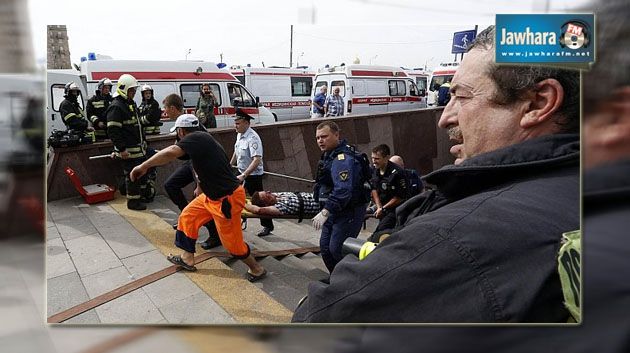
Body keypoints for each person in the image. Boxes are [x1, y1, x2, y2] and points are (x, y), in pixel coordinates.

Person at [292, 25, 579, 322]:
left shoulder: (455, 236)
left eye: (462, 97)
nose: (445, 117)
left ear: (539, 103)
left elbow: (316, 319)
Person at [130, 114, 267, 282]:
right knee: (187, 217)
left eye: (177, 133)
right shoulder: (201, 140)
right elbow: (202, 168)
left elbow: (172, 152)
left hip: (227, 200)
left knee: (233, 245)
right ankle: (188, 258)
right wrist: (200, 187)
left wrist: (144, 166)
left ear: (181, 131)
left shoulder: (197, 137)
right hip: (211, 197)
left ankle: (257, 268)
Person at [162, 94, 222, 250]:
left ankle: (215, 235)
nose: (165, 112)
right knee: (170, 185)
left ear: (173, 108)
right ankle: (187, 215)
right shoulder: (180, 123)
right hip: (191, 163)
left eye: (166, 109)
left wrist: (199, 184)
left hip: (200, 164)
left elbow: (198, 155)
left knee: (201, 199)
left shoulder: (190, 123)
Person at [311, 121, 370, 272]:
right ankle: (336, 279)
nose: (320, 141)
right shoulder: (328, 156)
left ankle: (355, 279)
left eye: (324, 136)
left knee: (337, 249)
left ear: (337, 135)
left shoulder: (342, 159)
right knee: (325, 248)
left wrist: (325, 211)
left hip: (348, 211)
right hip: (333, 211)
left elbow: (343, 191)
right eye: (318, 138)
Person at [106, 74, 150, 211]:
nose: (134, 93)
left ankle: (140, 197)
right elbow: (113, 131)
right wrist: (122, 149)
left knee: (139, 175)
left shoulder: (129, 104)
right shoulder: (117, 106)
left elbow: (136, 125)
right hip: (128, 152)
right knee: (132, 176)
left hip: (137, 150)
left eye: (134, 90)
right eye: (131, 91)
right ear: (123, 89)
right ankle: (133, 203)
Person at [230, 109, 274, 237]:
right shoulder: (239, 134)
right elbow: (236, 150)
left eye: (238, 123)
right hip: (240, 171)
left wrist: (244, 175)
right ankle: (238, 220)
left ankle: (267, 226)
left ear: (246, 123)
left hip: (253, 175)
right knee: (234, 197)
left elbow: (257, 160)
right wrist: (230, 165)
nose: (235, 126)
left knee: (258, 201)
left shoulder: (253, 138)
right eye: (235, 123)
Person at [368, 144, 406, 238]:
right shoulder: (374, 169)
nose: (374, 161)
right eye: (372, 158)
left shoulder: (397, 172)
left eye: (377, 159)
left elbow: (400, 197)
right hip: (382, 208)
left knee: (377, 234)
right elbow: (374, 188)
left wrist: (384, 208)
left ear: (386, 158)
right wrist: (378, 206)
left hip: (396, 209)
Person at [245, 191, 320, 218]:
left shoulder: (276, 195)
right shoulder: (279, 207)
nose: (269, 192)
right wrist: (242, 204)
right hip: (322, 206)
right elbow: (258, 210)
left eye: (266, 191)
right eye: (267, 195)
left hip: (320, 195)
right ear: (266, 204)